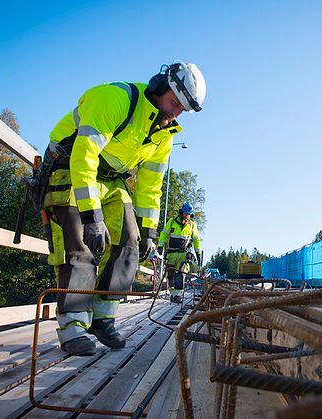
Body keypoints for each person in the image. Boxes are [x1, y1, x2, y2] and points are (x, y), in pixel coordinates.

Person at [39, 62, 206, 356]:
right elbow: (84, 156)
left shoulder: (165, 134)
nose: (175, 112)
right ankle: (73, 327)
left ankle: (103, 317)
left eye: (183, 110)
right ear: (159, 86)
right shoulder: (116, 99)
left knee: (130, 242)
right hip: (69, 168)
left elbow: (151, 185)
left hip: (111, 179)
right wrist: (91, 215)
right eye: (174, 103)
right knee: (79, 247)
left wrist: (149, 232)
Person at [157, 202, 202, 303]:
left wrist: (198, 253)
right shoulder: (172, 222)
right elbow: (164, 234)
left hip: (183, 253)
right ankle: (173, 294)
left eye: (189, 214)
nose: (187, 216)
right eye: (186, 213)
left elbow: (196, 240)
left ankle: (178, 296)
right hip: (171, 254)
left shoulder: (192, 225)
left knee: (180, 274)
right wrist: (160, 246)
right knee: (170, 276)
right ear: (182, 212)